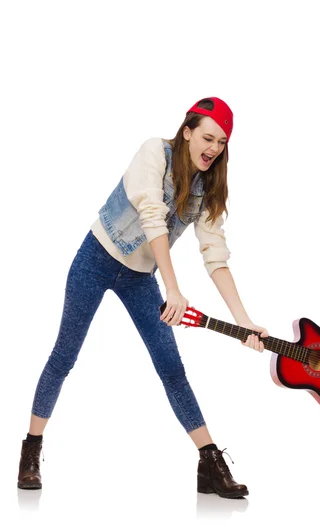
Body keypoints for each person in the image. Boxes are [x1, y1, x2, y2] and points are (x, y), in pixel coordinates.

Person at [17, 97, 268, 499]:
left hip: (139, 278)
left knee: (171, 367)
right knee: (64, 356)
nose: (214, 148)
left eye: (222, 142)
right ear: (187, 131)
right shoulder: (155, 151)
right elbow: (153, 218)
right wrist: (172, 287)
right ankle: (31, 449)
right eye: (208, 137)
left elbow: (214, 253)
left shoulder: (207, 189)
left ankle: (209, 462)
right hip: (96, 259)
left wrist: (243, 320)